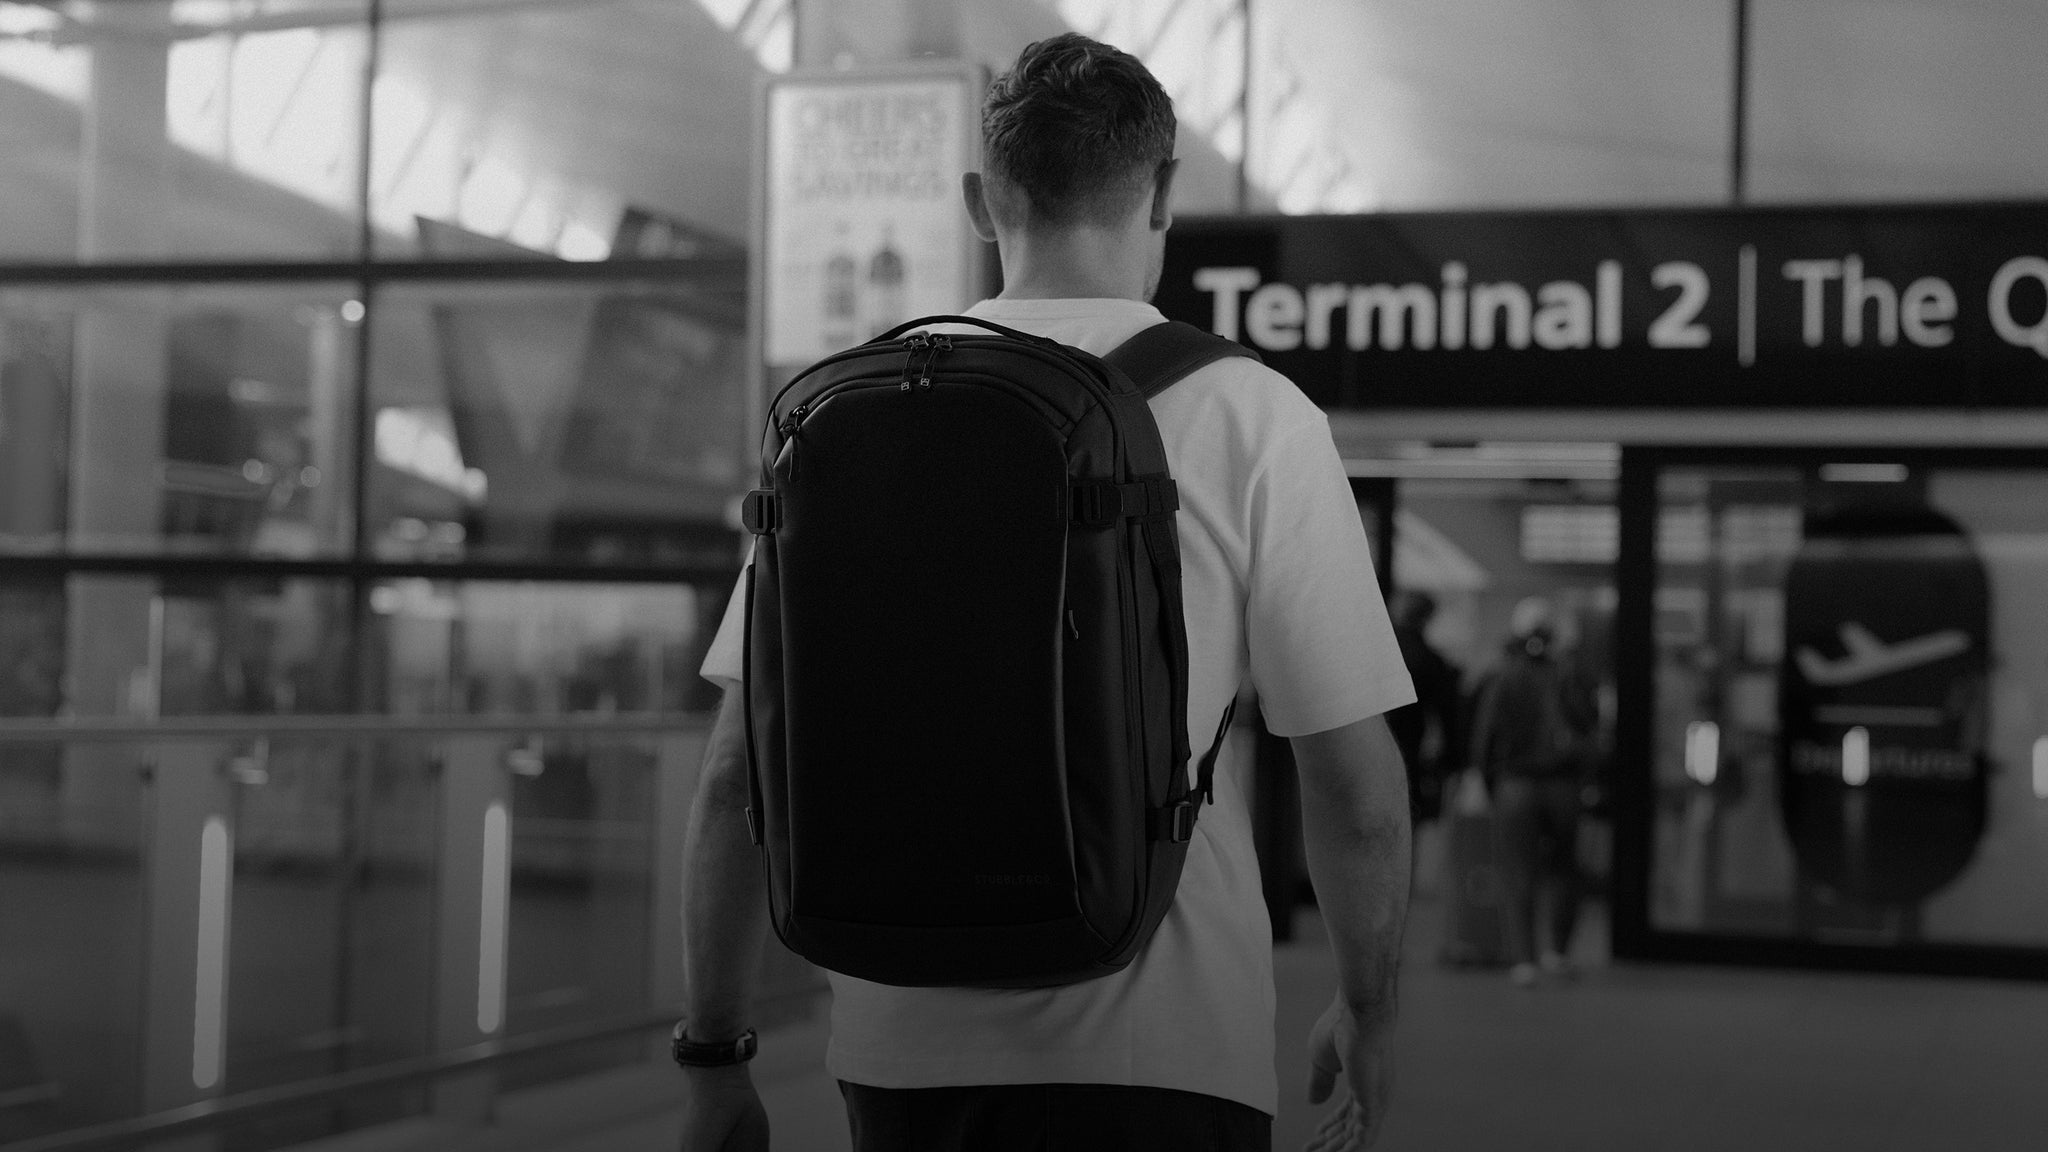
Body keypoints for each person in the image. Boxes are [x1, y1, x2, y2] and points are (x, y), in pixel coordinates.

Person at [677, 33, 1415, 1152]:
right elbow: (1354, 790)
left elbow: (736, 774)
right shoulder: (1252, 414)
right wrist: (1368, 1008)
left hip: (897, 1047)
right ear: (1163, 191)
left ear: (982, 202)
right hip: (1165, 1052)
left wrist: (714, 1056)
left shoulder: (843, 418)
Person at [1466, 596, 1598, 987]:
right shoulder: (1570, 674)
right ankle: (1557, 952)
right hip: (1563, 784)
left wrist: (1491, 783)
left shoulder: (1502, 677)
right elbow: (1590, 727)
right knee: (1564, 871)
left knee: (1518, 872)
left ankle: (1524, 960)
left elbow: (1485, 739)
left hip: (1515, 784)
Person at [1384, 589, 1464, 826]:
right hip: (1409, 757)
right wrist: (1452, 761)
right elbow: (1447, 717)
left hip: (1371, 750)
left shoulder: (1380, 654)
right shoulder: (1429, 660)